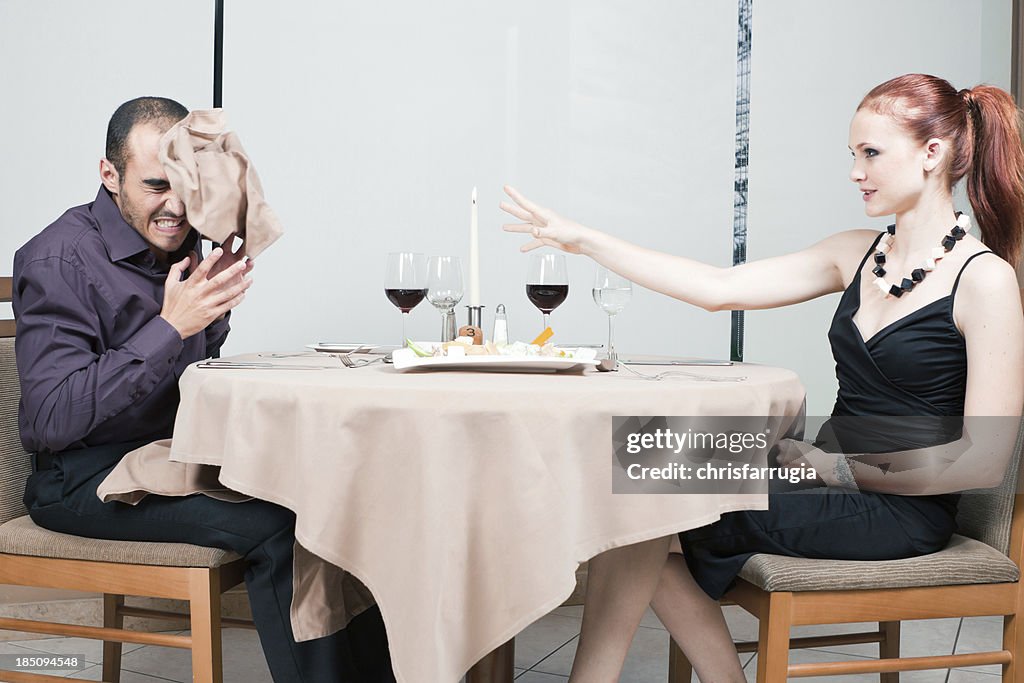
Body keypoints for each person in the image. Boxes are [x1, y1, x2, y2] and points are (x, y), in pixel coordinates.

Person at [500, 73, 1024, 681]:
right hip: (813, 471)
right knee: (638, 459)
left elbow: (983, 460)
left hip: (897, 507)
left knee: (646, 496)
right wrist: (584, 240)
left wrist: (832, 468)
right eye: (852, 155)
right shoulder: (856, 252)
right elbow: (719, 289)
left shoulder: (984, 280)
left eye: (871, 153)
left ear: (932, 154)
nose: (855, 171)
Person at [13, 97, 393, 682]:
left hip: (166, 458)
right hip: (83, 480)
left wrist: (209, 320)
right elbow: (48, 420)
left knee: (333, 497)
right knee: (284, 527)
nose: (174, 208)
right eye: (156, 185)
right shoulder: (58, 258)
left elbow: (179, 384)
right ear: (109, 174)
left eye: (186, 188)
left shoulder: (180, 245)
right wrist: (172, 328)